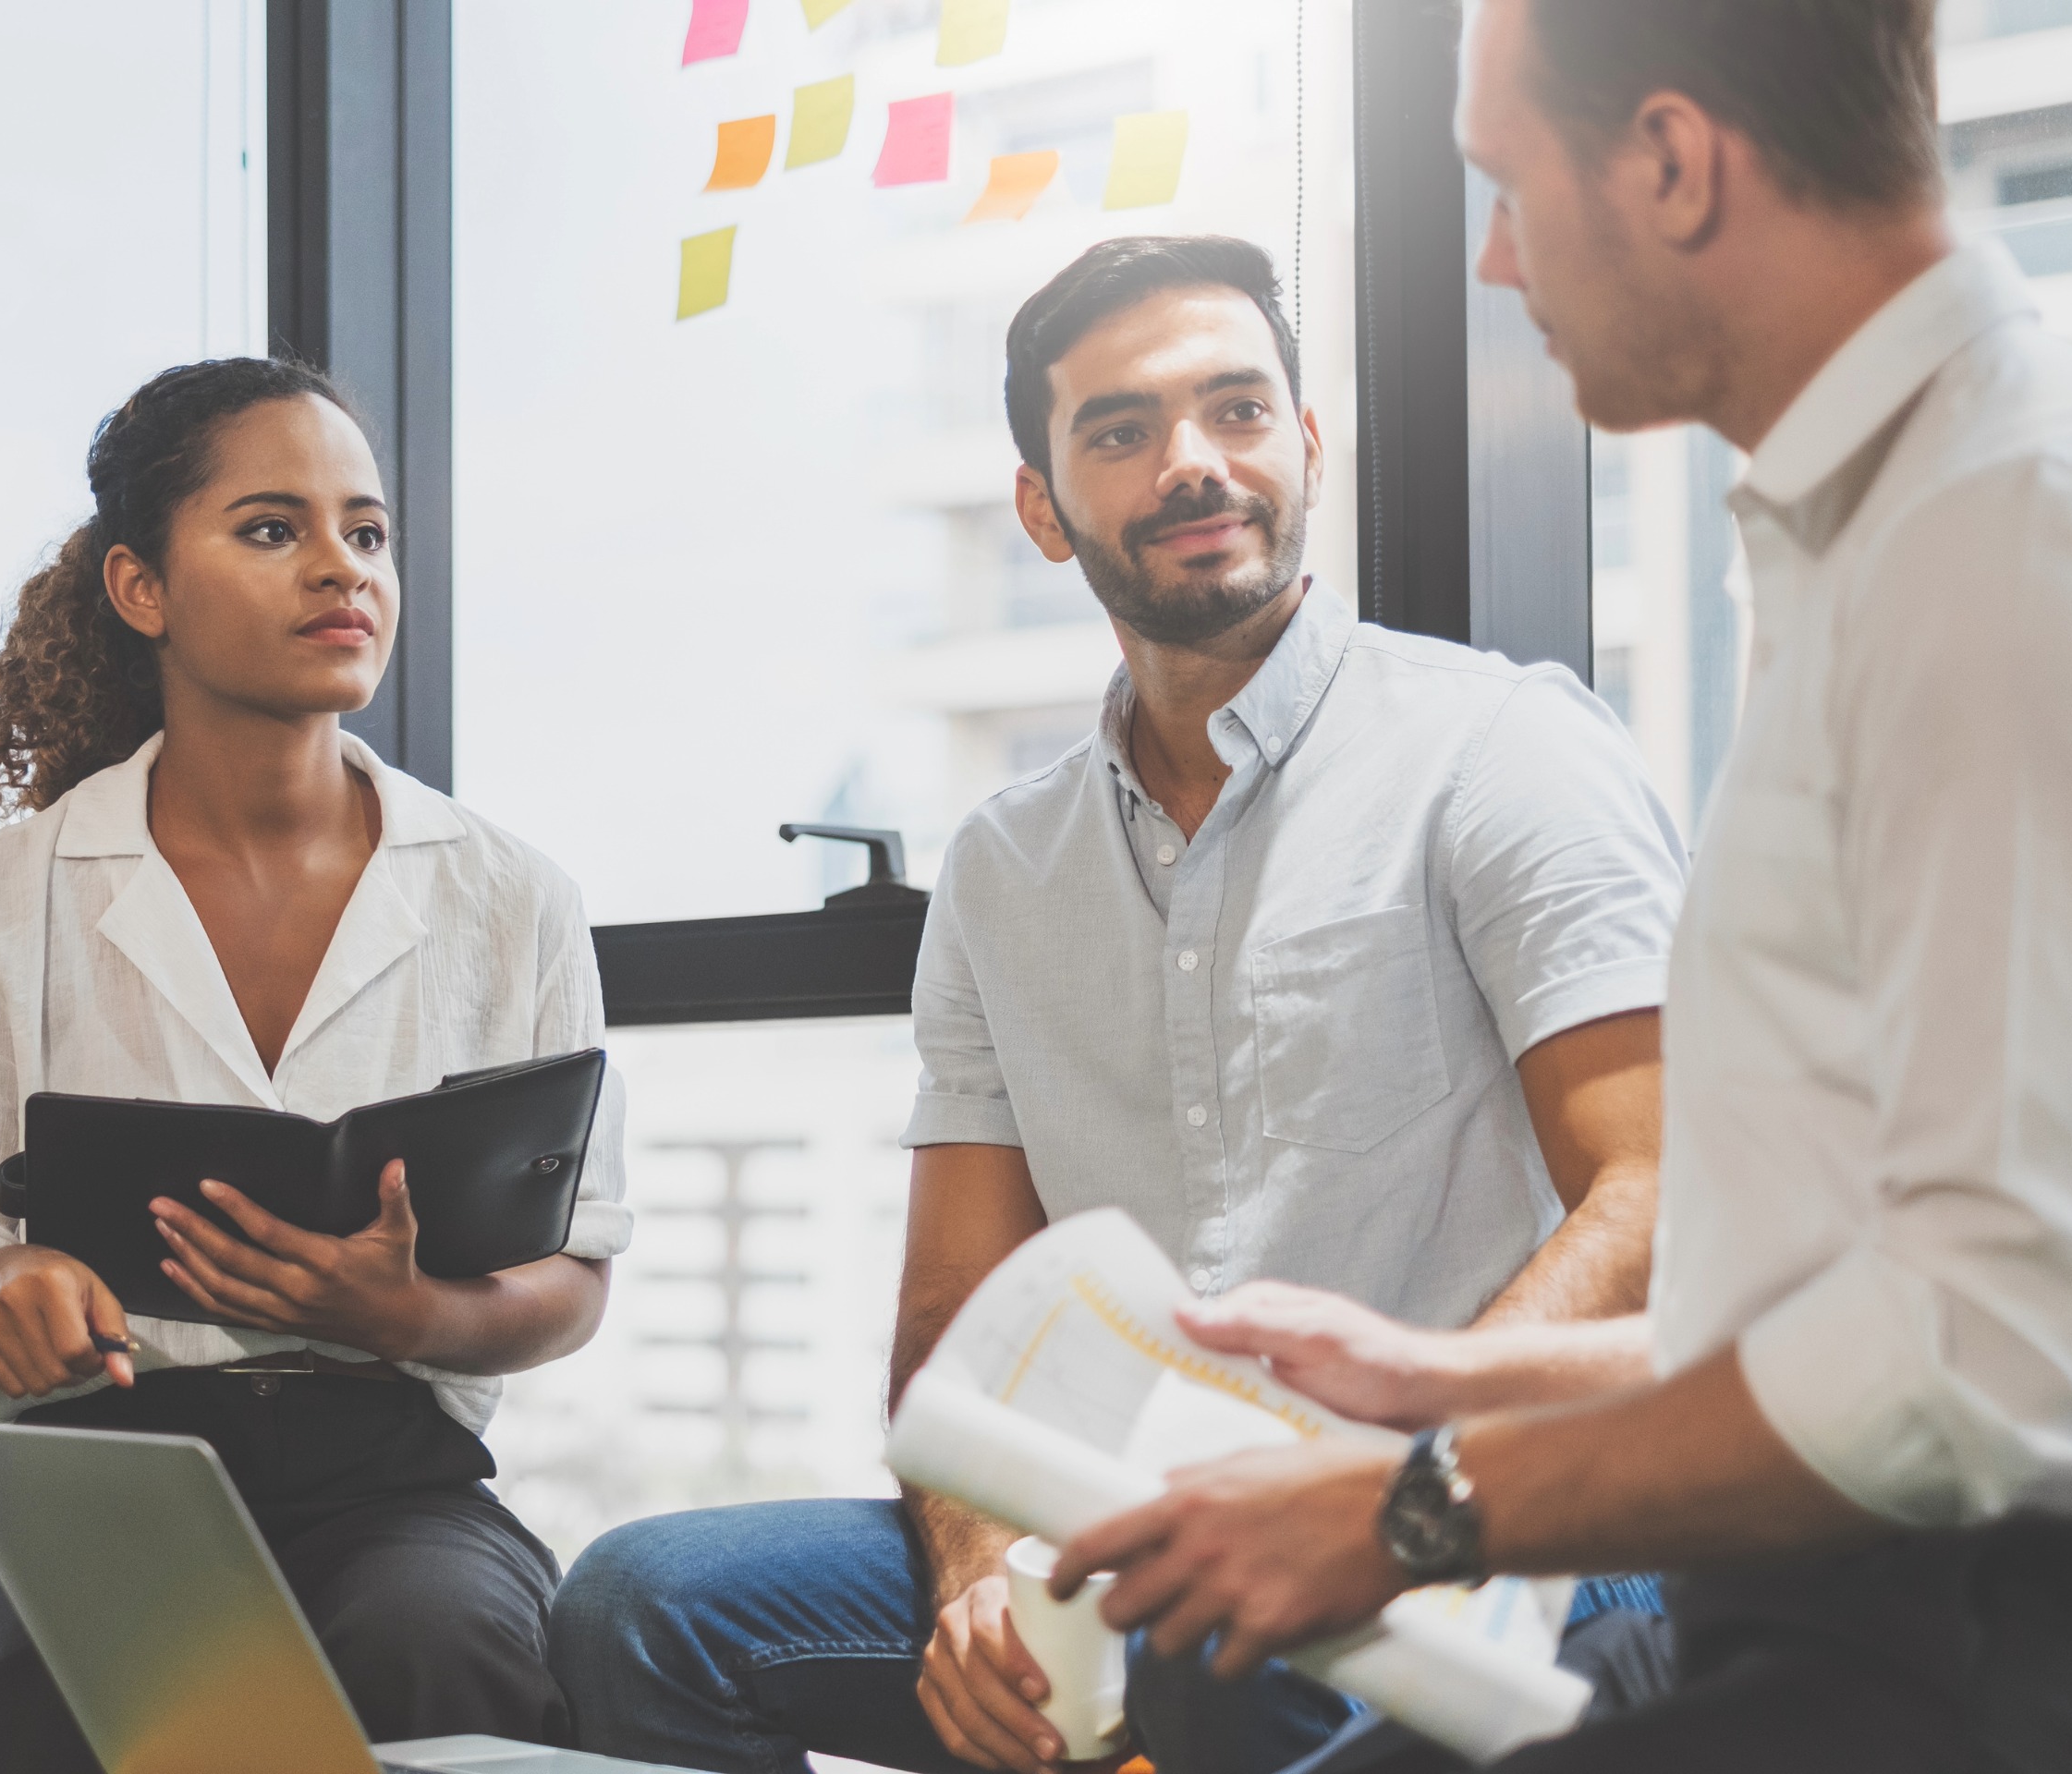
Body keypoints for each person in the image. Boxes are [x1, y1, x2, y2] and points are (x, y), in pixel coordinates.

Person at [1046, 3, 2072, 1768]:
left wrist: (1410, 1506)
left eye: (1508, 188)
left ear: (1671, 165)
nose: (1499, 259)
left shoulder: (2020, 534)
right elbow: (1853, 1309)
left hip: (2032, 1643)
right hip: (1879, 1596)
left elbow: (1991, 1365)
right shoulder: (1866, 537)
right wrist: (1434, 1377)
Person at [550, 236, 1687, 1774]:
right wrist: (973, 1576)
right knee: (647, 1607)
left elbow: (1655, 1196)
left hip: (1500, 1506)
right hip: (1144, 1533)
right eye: (1122, 431)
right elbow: (956, 1313)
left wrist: (1383, 1486)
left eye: (1236, 409)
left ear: (1305, 443)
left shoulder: (1499, 751)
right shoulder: (1004, 869)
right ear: (1042, 506)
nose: (1195, 464)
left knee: (1214, 1658)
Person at [0, 358, 631, 1774]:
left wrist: (415, 1316)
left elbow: (572, 1278)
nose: (343, 569)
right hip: (84, 1475)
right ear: (141, 588)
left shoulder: (514, 897)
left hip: (391, 1480)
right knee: (54, 1676)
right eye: (273, 528)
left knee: (444, 1650)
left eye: (368, 531)